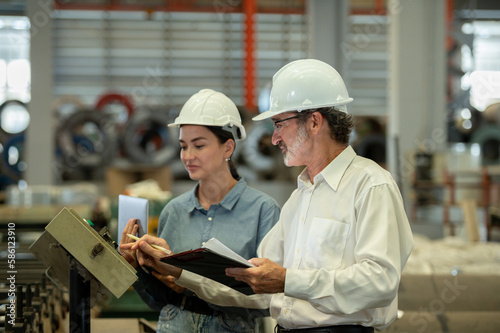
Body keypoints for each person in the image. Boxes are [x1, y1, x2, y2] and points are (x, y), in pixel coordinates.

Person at [126, 59, 414, 333]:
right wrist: (176, 269)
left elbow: (381, 281)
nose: (274, 138)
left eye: (279, 124)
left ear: (314, 122)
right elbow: (254, 285)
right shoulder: (300, 199)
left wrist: (288, 280)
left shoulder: (370, 185)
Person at [119, 89, 281, 333]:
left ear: (228, 148)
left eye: (199, 146)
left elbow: (269, 300)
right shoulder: (174, 211)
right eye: (184, 146)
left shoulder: (263, 210)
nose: (188, 156)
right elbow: (160, 301)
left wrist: (189, 282)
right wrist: (136, 268)